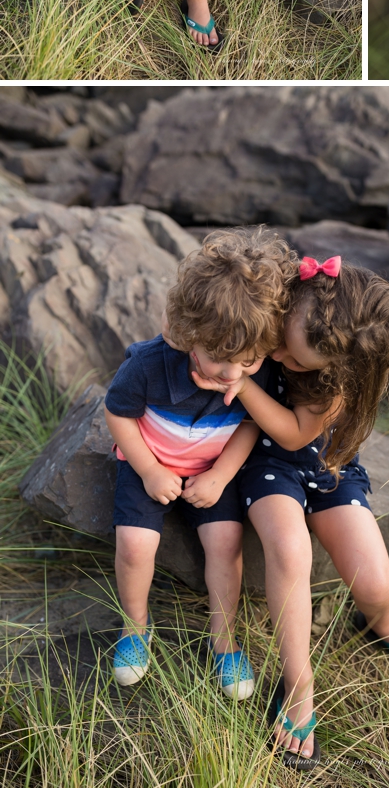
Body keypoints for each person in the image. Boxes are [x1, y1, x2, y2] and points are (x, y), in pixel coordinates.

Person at [229, 255, 389, 770]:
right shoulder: (280, 311)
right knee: (289, 551)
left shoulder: (336, 372)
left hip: (325, 465)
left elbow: (295, 432)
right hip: (263, 462)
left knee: (377, 582)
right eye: (285, 347)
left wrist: (245, 384)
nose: (281, 359)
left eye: (296, 362)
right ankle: (298, 681)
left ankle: (378, 618)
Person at [102, 228, 292, 700]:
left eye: (247, 363)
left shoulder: (254, 370)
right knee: (134, 544)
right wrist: (148, 469)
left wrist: (222, 476)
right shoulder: (148, 364)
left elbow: (251, 423)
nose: (231, 375)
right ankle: (135, 628)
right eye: (218, 359)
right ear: (189, 334)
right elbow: (117, 413)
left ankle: (224, 641)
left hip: (213, 468)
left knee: (226, 543)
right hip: (151, 460)